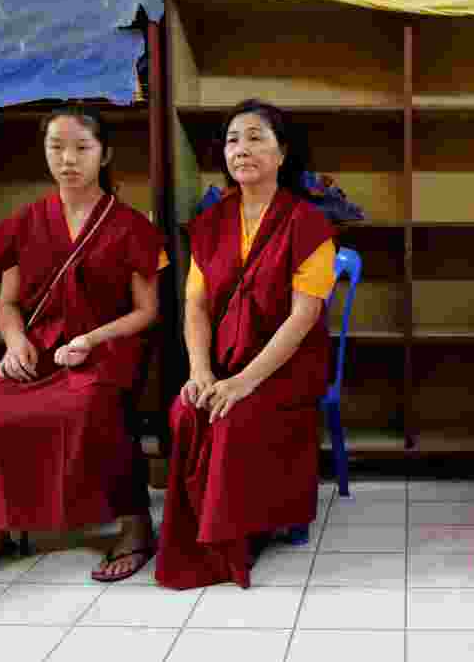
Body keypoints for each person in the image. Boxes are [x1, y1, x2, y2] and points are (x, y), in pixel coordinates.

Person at [0, 105, 167, 588]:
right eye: (56, 147)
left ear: (105, 155)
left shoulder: (131, 226)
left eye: (81, 147)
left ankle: (135, 525)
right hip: (37, 349)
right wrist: (14, 343)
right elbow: (9, 304)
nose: (68, 159)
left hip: (106, 347)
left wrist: (90, 339)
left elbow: (147, 312)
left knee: (87, 409)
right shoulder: (25, 222)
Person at [155, 99, 336, 589]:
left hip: (287, 365)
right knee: (188, 409)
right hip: (222, 362)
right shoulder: (209, 225)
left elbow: (304, 316)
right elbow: (195, 305)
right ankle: (203, 528)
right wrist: (200, 371)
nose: (243, 148)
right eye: (234, 139)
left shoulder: (308, 223)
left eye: (257, 137)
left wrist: (243, 382)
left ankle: (239, 530)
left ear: (282, 154)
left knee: (233, 415)